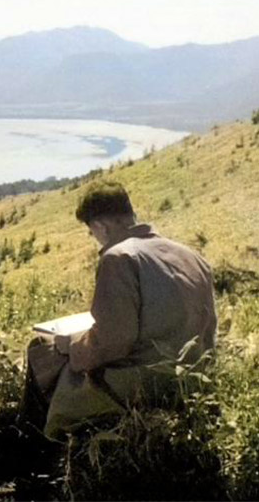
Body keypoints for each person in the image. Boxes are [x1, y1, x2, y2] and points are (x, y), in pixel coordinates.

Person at [20, 181, 217, 438]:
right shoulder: (192, 255)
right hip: (192, 380)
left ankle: (34, 444)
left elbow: (113, 342)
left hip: (144, 384)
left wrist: (73, 347)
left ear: (100, 226)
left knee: (42, 350)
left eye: (92, 232)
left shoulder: (118, 257)